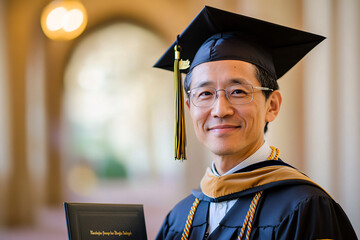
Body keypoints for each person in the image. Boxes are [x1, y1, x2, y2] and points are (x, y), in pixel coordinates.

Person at [154, 6, 357, 240]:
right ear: (189, 108)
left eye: (238, 91)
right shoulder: (179, 217)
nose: (220, 110)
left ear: (272, 106)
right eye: (205, 94)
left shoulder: (305, 208)